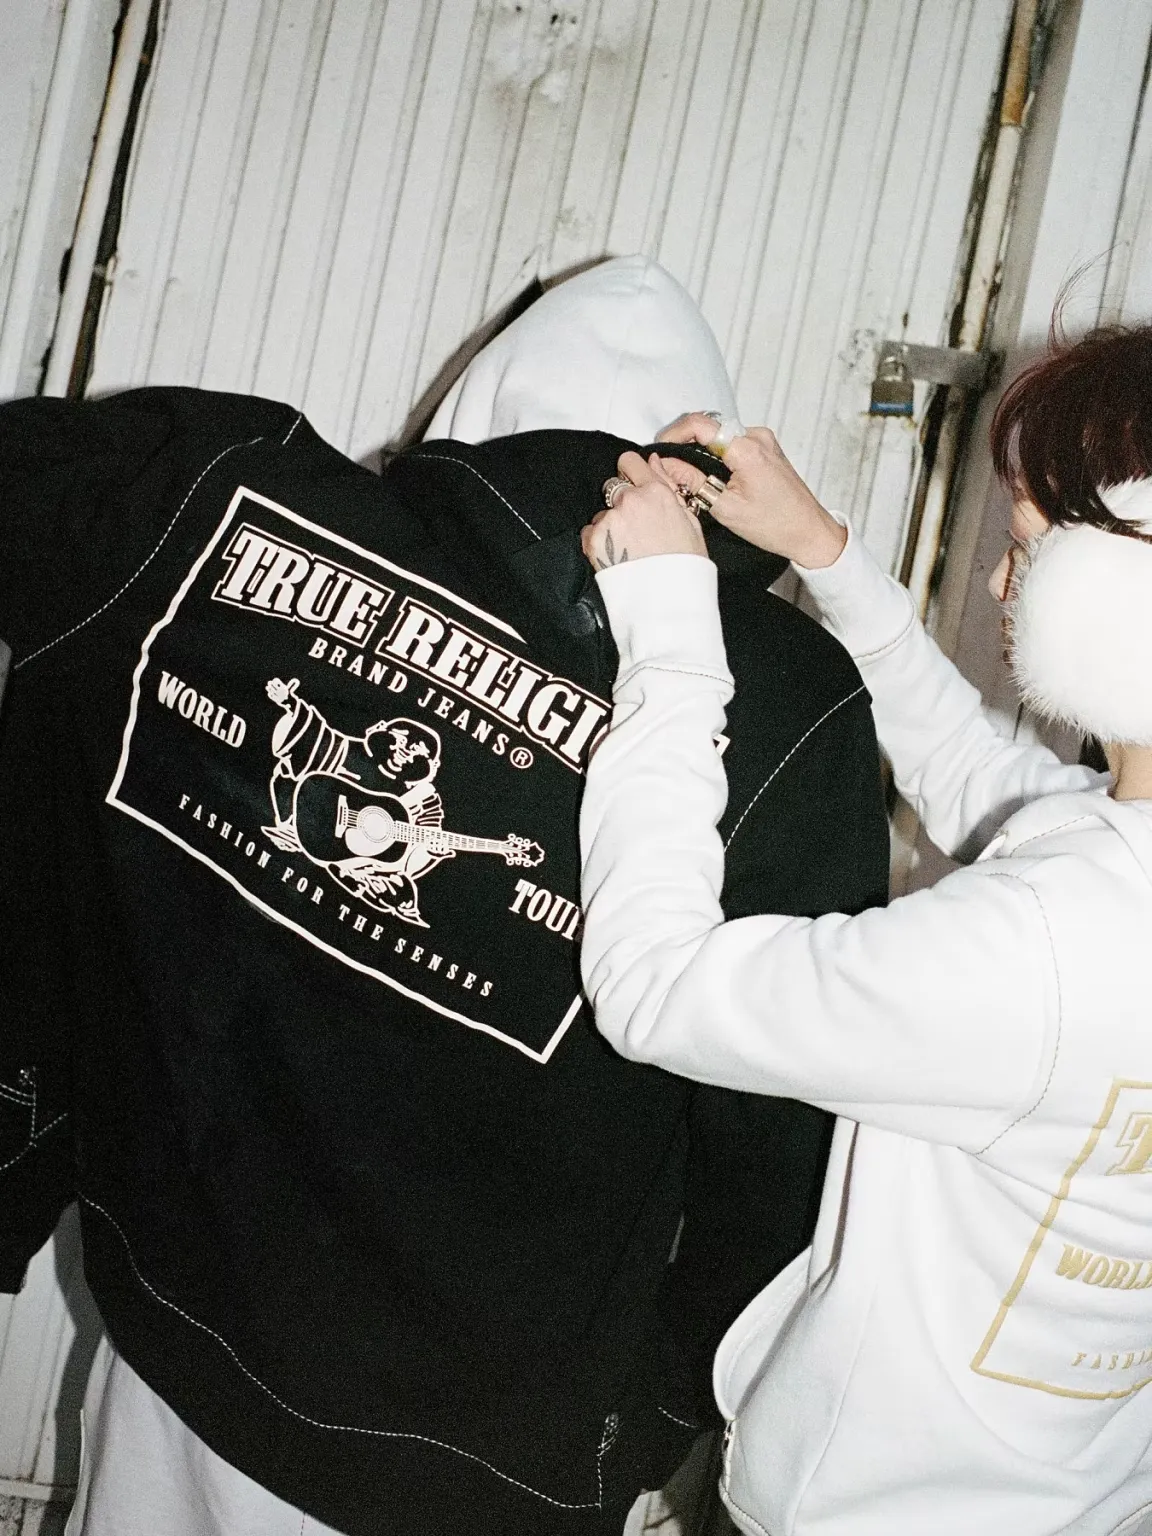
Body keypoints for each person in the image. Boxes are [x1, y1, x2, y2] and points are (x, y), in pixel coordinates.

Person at [0, 258, 889, 1536]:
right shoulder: (791, 709)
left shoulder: (214, 503)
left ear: (479, 411)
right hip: (491, 1444)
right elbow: (783, 1136)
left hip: (180, 1342)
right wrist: (669, 1403)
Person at [577, 323, 1152, 1536]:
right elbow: (982, 782)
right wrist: (824, 552)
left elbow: (654, 987)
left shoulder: (1050, 947)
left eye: (1027, 549)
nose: (998, 584)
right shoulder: (1110, 879)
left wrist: (670, 637)